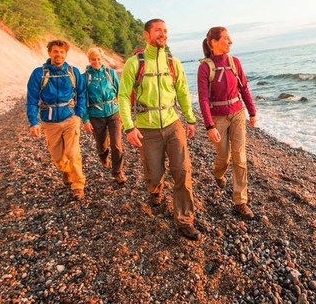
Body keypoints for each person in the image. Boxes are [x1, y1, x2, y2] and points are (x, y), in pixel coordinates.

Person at [118, 19, 201, 241]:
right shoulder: (134, 63)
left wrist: (190, 119)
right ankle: (155, 192)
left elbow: (182, 91)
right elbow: (124, 96)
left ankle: (185, 221)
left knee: (182, 172)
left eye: (165, 31)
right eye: (158, 31)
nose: (162, 34)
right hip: (147, 128)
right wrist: (129, 127)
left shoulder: (173, 62)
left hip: (173, 124)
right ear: (146, 35)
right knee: (154, 174)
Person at [197, 27, 257, 220]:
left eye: (230, 38)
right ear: (214, 42)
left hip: (237, 114)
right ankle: (218, 173)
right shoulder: (205, 67)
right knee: (223, 157)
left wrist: (252, 112)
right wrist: (209, 125)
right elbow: (203, 99)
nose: (230, 42)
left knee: (240, 158)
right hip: (218, 118)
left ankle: (240, 201)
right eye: (226, 38)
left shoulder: (235, 62)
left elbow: (244, 88)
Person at [26, 39, 87, 201]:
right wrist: (33, 122)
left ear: (66, 54)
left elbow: (81, 94)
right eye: (55, 51)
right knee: (57, 158)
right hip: (49, 120)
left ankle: (78, 185)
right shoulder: (39, 73)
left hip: (70, 118)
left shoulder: (73, 72)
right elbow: (32, 99)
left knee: (73, 153)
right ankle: (66, 170)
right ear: (49, 53)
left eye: (61, 52)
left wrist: (79, 114)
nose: (58, 54)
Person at [82, 47, 126, 184]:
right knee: (102, 144)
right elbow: (82, 99)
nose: (96, 62)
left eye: (99, 59)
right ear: (89, 60)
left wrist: (124, 113)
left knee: (117, 144)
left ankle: (118, 172)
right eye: (93, 59)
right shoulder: (85, 78)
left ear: (102, 59)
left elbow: (120, 94)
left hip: (114, 113)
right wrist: (85, 119)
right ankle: (103, 155)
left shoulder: (110, 73)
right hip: (95, 115)